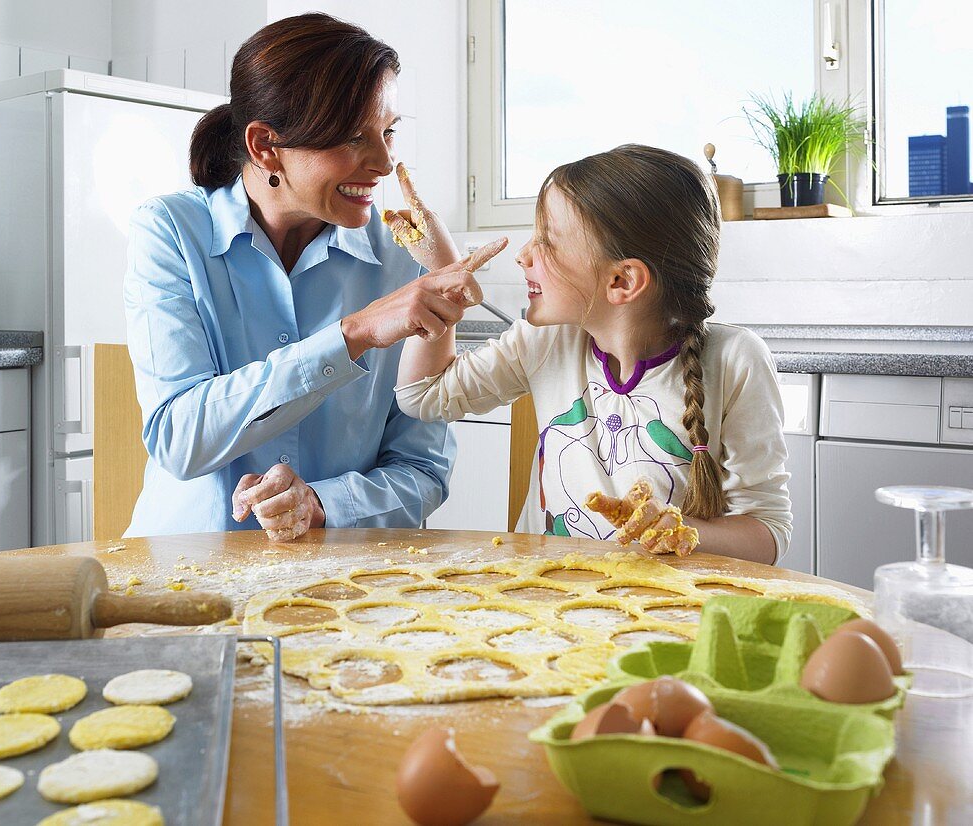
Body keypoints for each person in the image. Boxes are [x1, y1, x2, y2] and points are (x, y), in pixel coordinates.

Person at [123, 13, 492, 541]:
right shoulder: (170, 231)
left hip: (344, 582)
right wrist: (355, 334)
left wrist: (324, 503)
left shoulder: (404, 262)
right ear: (264, 145)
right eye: (352, 138)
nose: (385, 163)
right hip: (188, 572)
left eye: (388, 133)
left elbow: (425, 469)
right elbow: (181, 441)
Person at [393, 145, 791, 564]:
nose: (523, 255)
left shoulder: (736, 360)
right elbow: (423, 396)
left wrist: (681, 531)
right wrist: (441, 275)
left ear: (621, 280)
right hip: (548, 597)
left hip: (662, 612)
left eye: (546, 242)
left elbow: (766, 534)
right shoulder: (545, 340)